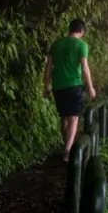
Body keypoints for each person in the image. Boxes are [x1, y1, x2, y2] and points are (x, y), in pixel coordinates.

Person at [43, 19, 97, 161]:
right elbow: (85, 67)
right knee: (73, 118)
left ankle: (67, 145)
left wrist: (46, 86)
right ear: (82, 31)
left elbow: (48, 67)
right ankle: (68, 151)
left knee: (64, 116)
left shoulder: (56, 44)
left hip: (58, 86)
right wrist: (90, 86)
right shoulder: (81, 45)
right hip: (73, 85)